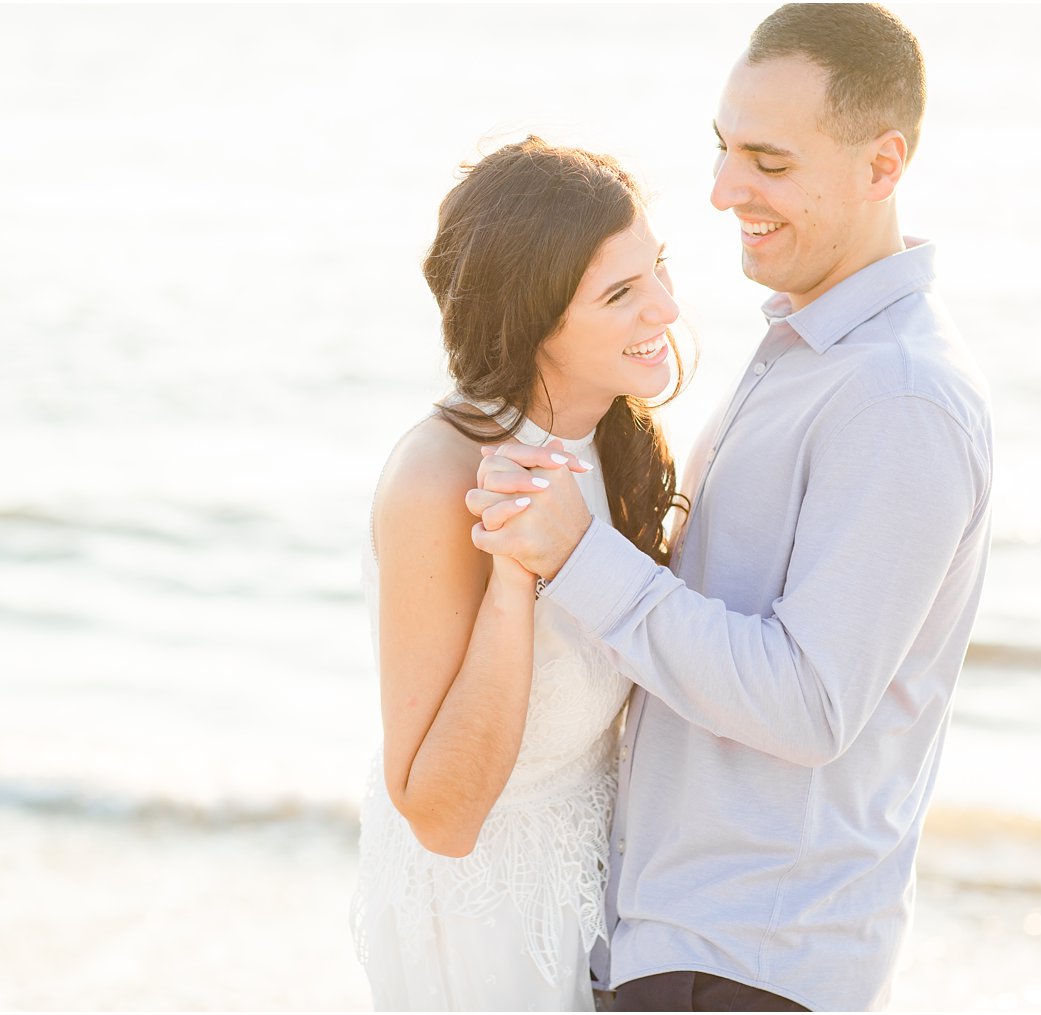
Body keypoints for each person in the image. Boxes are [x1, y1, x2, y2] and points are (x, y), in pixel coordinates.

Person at [466, 5, 994, 1011]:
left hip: (747, 966)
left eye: (767, 161)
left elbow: (807, 704)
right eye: (721, 149)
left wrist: (579, 555)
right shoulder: (807, 349)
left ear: (882, 165)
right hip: (681, 948)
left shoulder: (897, 398)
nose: (722, 192)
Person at [350, 136, 686, 1011]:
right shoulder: (437, 477)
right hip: (480, 929)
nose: (667, 309)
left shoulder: (618, 436)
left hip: (602, 898)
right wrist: (514, 572)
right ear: (533, 321)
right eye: (621, 294)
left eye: (658, 270)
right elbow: (442, 815)